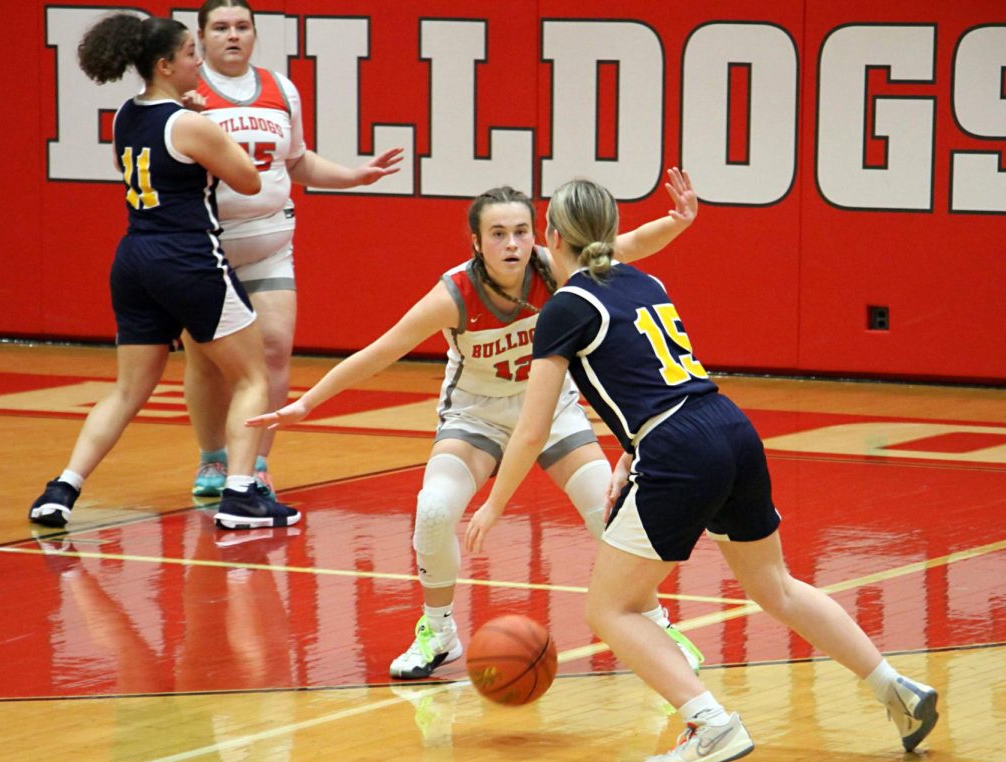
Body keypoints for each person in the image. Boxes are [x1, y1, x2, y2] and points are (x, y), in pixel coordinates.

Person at [464, 178, 939, 762]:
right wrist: (630, 452)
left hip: (680, 448)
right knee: (777, 587)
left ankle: (709, 723)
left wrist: (493, 505)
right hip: (728, 427)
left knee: (611, 609)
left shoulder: (565, 307)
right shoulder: (646, 281)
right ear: (609, 233)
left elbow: (532, 432)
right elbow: (649, 378)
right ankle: (896, 688)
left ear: (551, 238)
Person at [247, 170, 706, 679]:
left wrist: (678, 221)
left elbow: (630, 243)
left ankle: (653, 623)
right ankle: (438, 631)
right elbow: (383, 349)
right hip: (476, 417)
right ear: (476, 242)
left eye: (520, 232)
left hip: (550, 413)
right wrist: (307, 402)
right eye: (498, 234)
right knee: (435, 509)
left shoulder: (557, 268)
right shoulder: (456, 294)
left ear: (540, 235)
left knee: (612, 516)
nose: (512, 244)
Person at [29, 12, 300, 532]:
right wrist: (210, 127)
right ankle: (242, 494)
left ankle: (62, 489)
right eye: (191, 54)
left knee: (128, 391)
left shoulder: (126, 115)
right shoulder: (191, 122)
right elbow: (247, 179)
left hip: (133, 257)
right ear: (165, 64)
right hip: (188, 255)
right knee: (252, 377)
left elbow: (132, 164)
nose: (200, 61)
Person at [182, 0, 403, 502]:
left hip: (270, 247)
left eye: (242, 27)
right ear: (200, 37)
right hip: (204, 248)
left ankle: (256, 461)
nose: (232, 36)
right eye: (220, 28)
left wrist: (354, 175)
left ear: (255, 34)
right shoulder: (185, 94)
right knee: (206, 362)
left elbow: (298, 161)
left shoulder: (281, 89)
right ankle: (213, 457)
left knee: (276, 349)